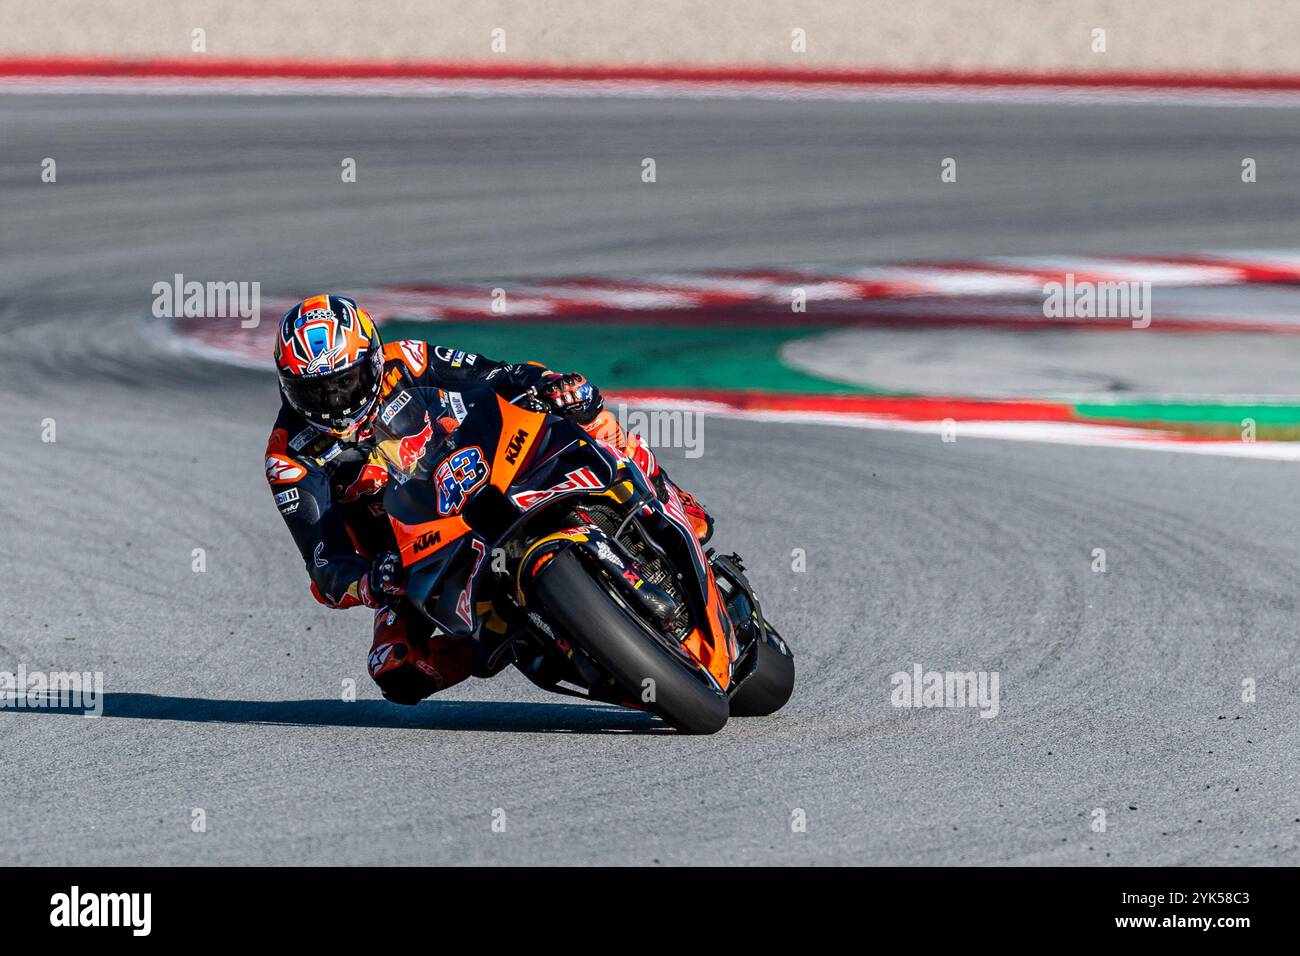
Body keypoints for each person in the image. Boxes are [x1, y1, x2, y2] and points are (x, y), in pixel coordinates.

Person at [265, 294, 712, 704]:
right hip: (411, 556)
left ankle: (663, 489)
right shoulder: (289, 456)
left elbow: (498, 374)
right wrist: (370, 581)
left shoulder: (410, 360)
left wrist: (551, 384)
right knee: (398, 670)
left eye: (345, 382)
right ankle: (505, 642)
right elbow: (325, 566)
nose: (333, 402)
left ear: (374, 358)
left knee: (581, 408)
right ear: (287, 385)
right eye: (314, 391)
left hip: (483, 472)